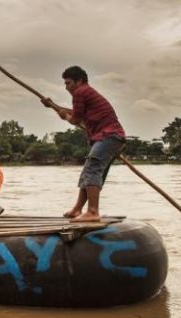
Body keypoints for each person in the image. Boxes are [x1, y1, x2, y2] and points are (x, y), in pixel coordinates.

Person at [41, 65, 126, 222]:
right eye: (65, 84)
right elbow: (76, 112)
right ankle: (77, 209)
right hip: (112, 138)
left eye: (68, 83)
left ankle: (93, 212)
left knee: (92, 170)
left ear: (79, 81)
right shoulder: (86, 92)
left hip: (108, 136)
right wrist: (53, 106)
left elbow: (74, 119)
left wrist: (63, 116)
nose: (66, 87)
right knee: (90, 172)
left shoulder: (80, 92)